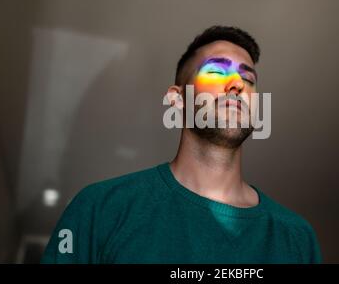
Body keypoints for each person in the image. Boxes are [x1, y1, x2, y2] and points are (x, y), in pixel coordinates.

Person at [41, 25, 322, 263]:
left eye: (248, 78)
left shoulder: (297, 238)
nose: (236, 84)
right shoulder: (100, 208)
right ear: (177, 100)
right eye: (215, 72)